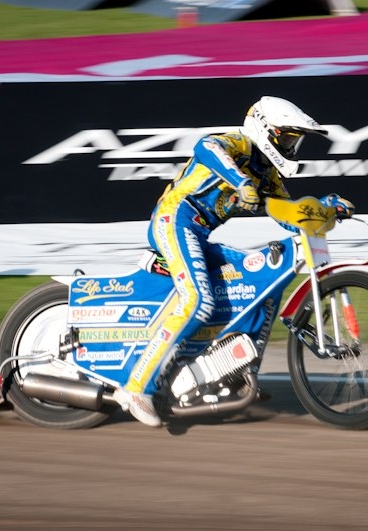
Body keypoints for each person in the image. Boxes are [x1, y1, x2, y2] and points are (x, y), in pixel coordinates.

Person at [113, 96, 355, 427]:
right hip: (175, 219)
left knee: (264, 283)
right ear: (265, 130)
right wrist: (239, 182)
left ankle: (237, 373)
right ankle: (136, 387)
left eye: (294, 141)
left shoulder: (267, 175)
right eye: (287, 138)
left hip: (199, 234)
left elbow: (288, 216)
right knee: (197, 301)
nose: (291, 147)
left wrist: (325, 208)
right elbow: (205, 146)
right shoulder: (239, 144)